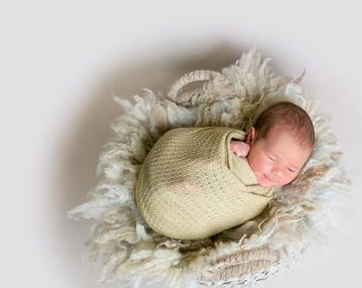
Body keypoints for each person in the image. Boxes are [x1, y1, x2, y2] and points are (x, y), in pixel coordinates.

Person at [135, 101, 315, 240]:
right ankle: (163, 194)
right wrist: (230, 147)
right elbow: (208, 151)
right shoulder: (238, 148)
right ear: (252, 138)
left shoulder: (265, 194)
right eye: (272, 158)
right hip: (170, 173)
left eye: (291, 169)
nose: (277, 172)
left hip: (183, 218)